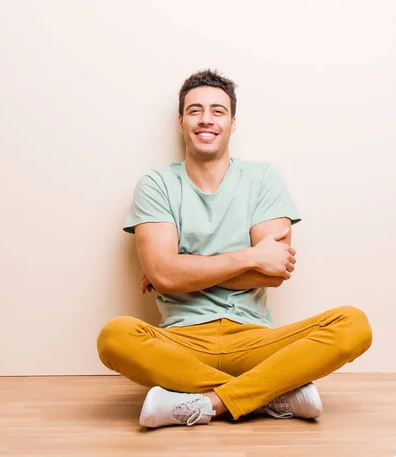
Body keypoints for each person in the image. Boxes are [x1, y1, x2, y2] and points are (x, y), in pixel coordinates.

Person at [96, 69, 373, 428]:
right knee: (114, 337)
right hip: (181, 341)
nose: (206, 119)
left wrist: (182, 268)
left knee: (354, 324)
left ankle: (208, 402)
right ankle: (271, 394)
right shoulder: (157, 184)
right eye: (195, 111)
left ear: (232, 122)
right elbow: (167, 275)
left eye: (217, 110)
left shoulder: (263, 178)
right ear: (180, 122)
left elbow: (271, 275)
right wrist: (251, 255)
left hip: (255, 341)